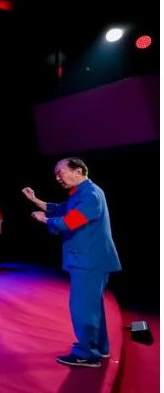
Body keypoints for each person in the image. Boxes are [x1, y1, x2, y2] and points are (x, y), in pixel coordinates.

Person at [24, 157, 121, 367]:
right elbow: (61, 208)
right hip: (90, 259)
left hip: (89, 261)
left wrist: (45, 220)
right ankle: (100, 348)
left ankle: (87, 354)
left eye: (60, 172)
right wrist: (36, 200)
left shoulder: (90, 195)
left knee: (83, 308)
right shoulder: (83, 193)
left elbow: (71, 220)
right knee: (92, 307)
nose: (57, 178)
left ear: (78, 171)